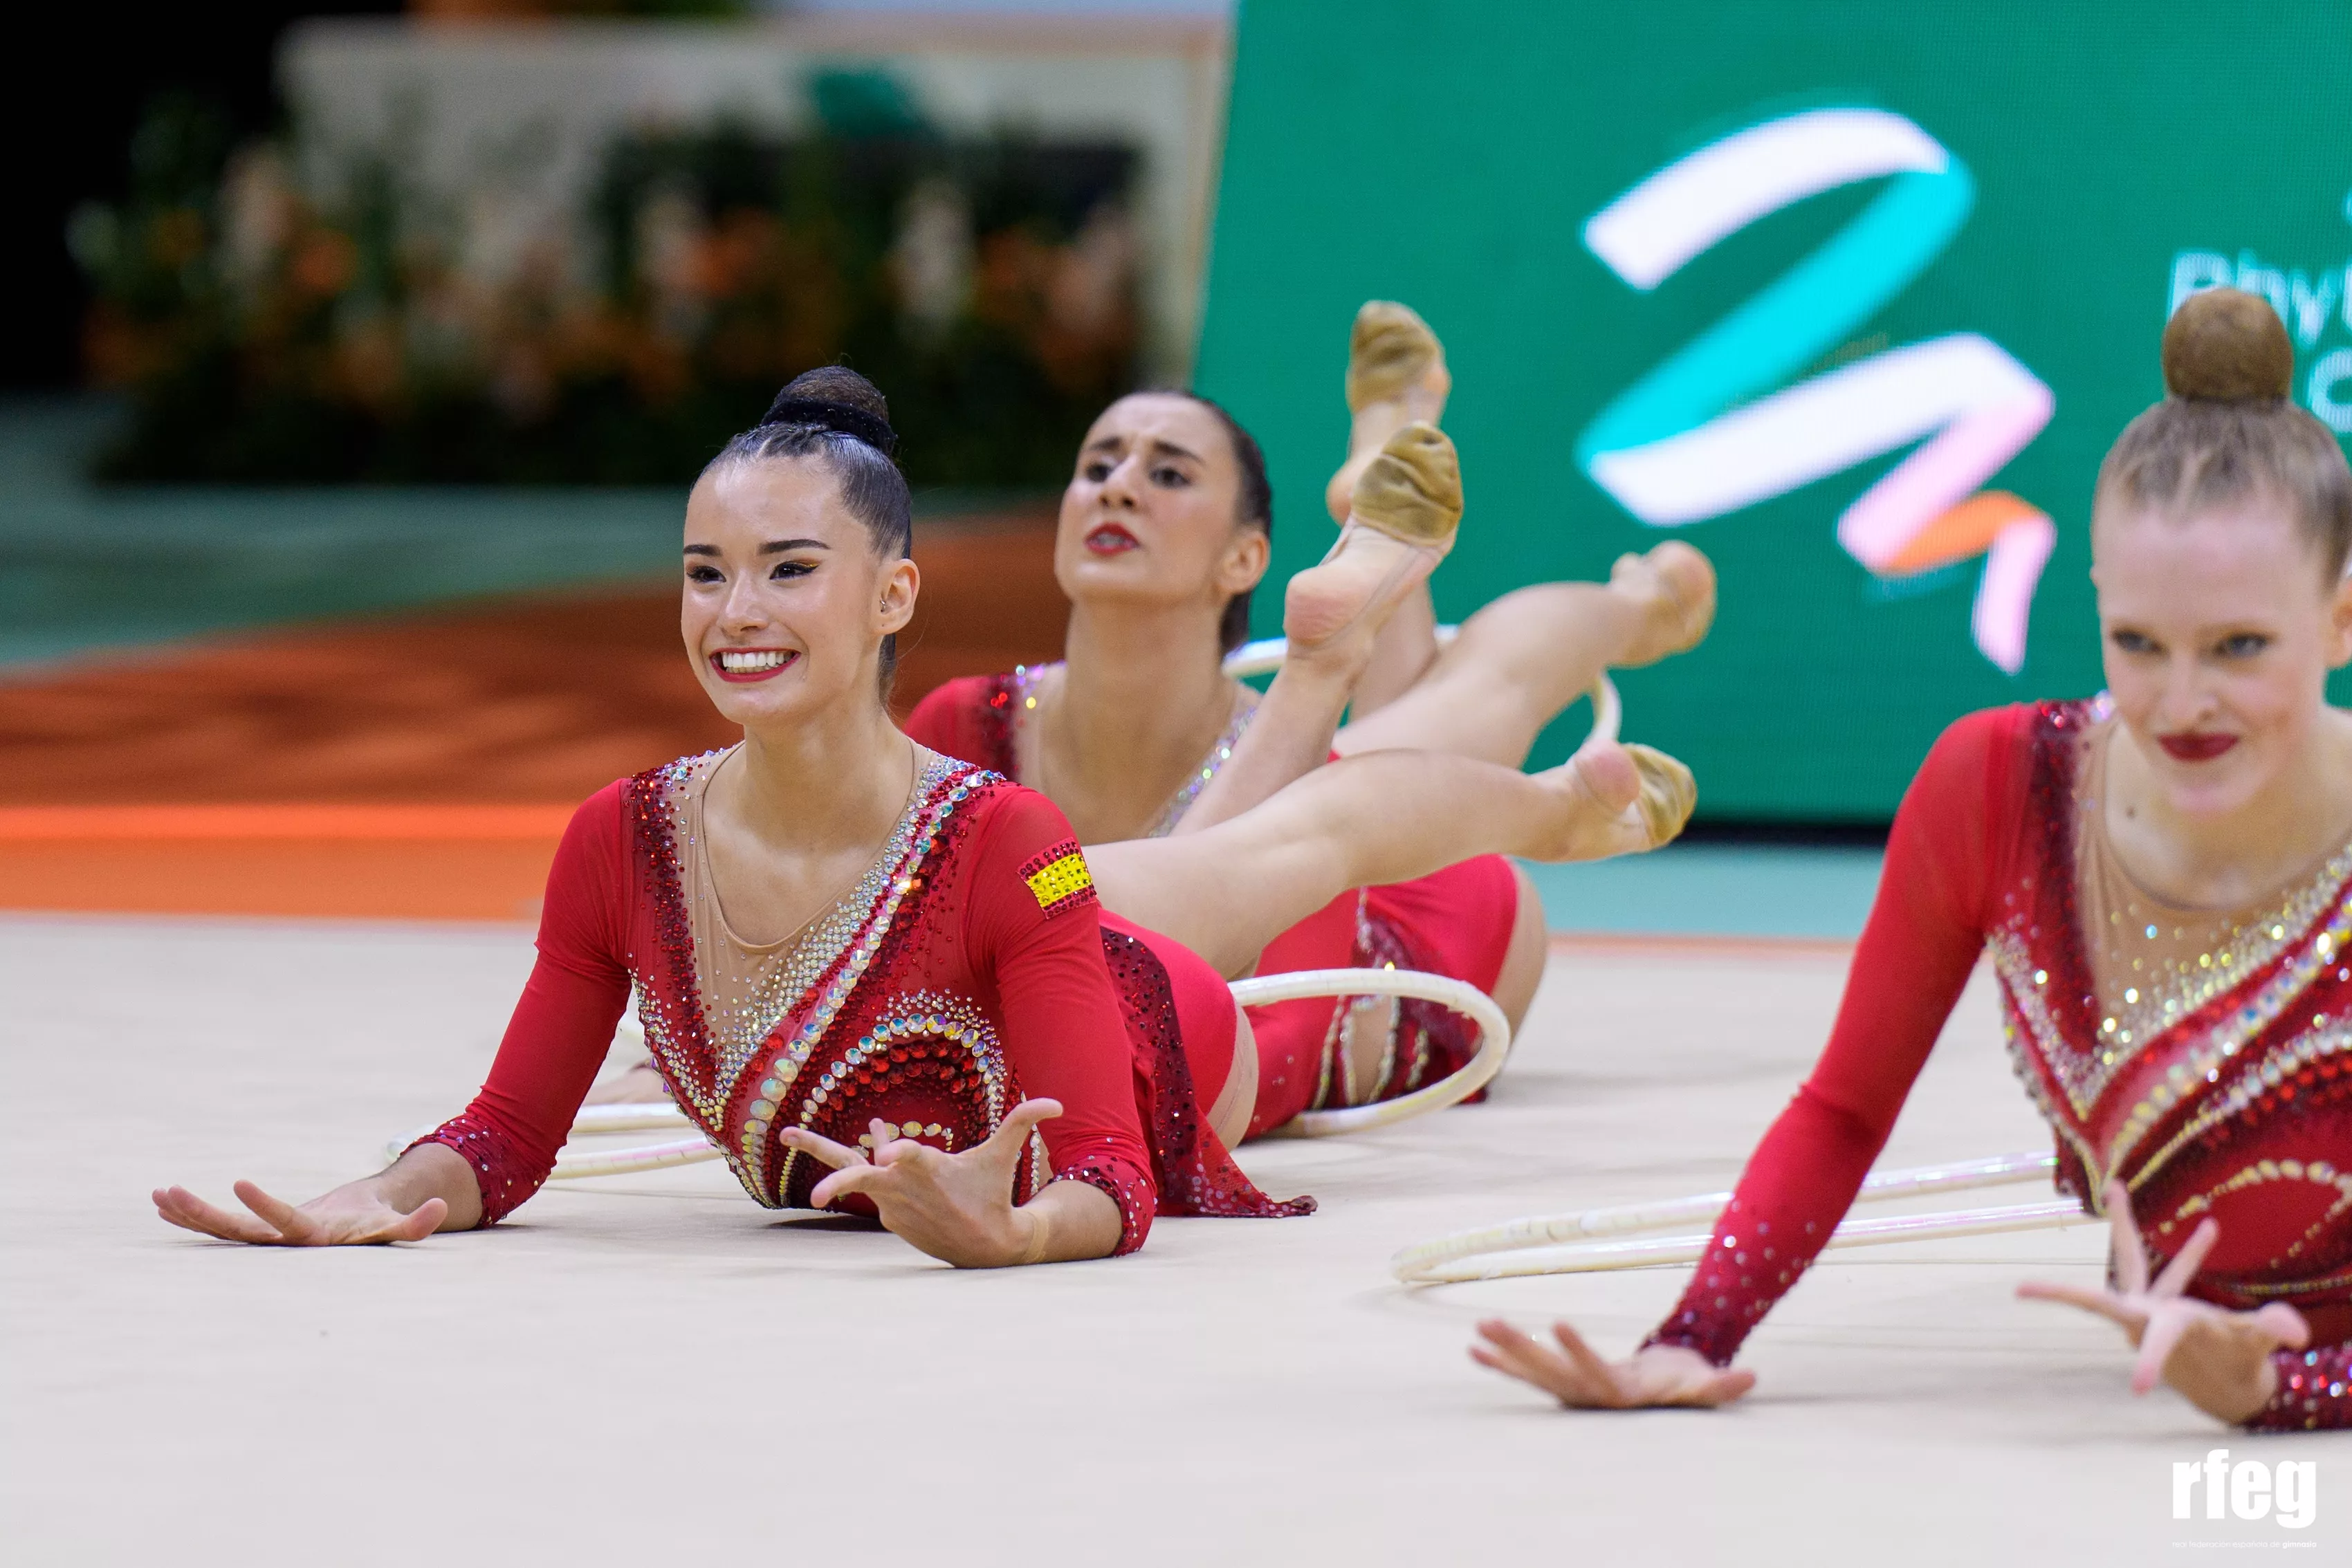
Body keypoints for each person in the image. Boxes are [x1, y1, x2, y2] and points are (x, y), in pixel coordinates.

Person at [153, 368, 1689, 1267]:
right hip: (1080, 920)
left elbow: (1107, 1172)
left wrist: (1011, 1228)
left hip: (1210, 1020)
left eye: (789, 571)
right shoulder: (620, 841)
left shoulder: (1003, 836)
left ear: (892, 592)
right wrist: (385, 1192)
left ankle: (1533, 732)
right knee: (1256, 836)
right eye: (705, 573)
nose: (737, 612)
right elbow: (502, 1135)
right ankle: (1414, 692)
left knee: (1310, 818)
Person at [1468, 289, 2352, 1431]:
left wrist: (2291, 1390)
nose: (2183, 702)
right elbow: (1844, 1108)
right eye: (2139, 642)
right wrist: (1690, 1337)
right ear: (2096, 602)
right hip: (2181, 1347)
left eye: (2239, 646)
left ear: (2340, 619)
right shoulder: (2003, 788)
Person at [902, 302, 1715, 1134]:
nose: (1118, 485)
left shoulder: (1306, 786)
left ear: (1245, 557)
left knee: (1436, 718)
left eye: (1169, 475)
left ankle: (1635, 609)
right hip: (1348, 805)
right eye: (1097, 466)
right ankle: (1391, 528)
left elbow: (1252, 1053)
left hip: (1422, 918)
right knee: (1411, 724)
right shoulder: (963, 723)